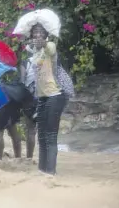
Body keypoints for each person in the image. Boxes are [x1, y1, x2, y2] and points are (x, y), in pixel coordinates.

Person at [29, 23, 69, 175]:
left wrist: (44, 43)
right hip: (42, 98)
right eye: (35, 33)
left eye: (40, 33)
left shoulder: (49, 46)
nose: (37, 35)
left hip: (54, 95)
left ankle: (50, 174)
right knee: (41, 137)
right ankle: (41, 171)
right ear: (31, 36)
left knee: (51, 136)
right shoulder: (35, 52)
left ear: (46, 35)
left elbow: (50, 49)